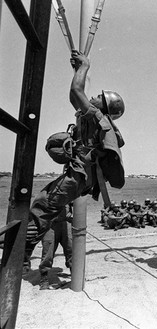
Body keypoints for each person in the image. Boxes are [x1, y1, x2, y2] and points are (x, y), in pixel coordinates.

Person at [25, 50, 125, 254]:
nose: (94, 96)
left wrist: (85, 66)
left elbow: (77, 92)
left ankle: (22, 248)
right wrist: (77, 70)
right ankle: (24, 247)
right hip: (79, 175)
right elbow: (75, 95)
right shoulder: (94, 118)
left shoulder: (97, 115)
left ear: (104, 106)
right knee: (44, 203)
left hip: (79, 176)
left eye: (99, 97)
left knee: (45, 204)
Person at [38, 203, 73, 290]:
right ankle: (44, 278)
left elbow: (76, 200)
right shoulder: (46, 192)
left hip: (66, 222)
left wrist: (72, 212)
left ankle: (75, 275)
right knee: (48, 250)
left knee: (71, 248)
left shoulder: (69, 190)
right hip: (50, 224)